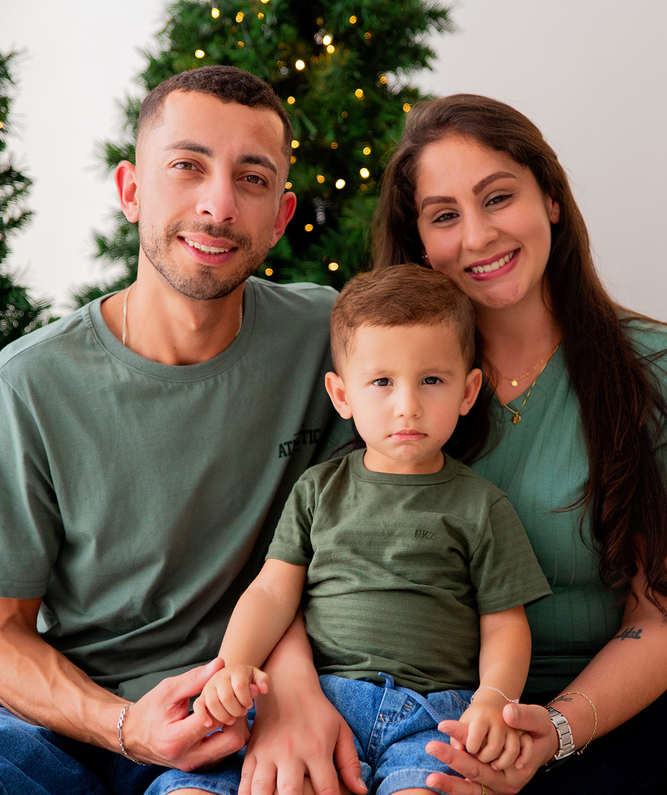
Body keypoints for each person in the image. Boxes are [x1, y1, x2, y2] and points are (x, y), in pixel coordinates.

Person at [0, 66, 354, 795]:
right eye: (187, 168)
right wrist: (123, 727)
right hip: (63, 712)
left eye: (252, 179)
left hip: (236, 715)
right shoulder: (31, 382)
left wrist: (293, 691)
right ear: (132, 190)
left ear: (282, 216)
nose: (218, 204)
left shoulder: (331, 343)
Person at [281, 94, 667, 795]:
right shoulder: (381, 372)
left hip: (597, 715)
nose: (479, 236)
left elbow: (666, 615)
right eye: (444, 216)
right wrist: (294, 699)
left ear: (550, 198)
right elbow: (293, 566)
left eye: (498, 198)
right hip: (416, 717)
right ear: (421, 241)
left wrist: (550, 732)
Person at [183, 264, 552, 795]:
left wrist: (494, 697)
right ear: (342, 395)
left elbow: (505, 625)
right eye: (381, 382)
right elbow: (271, 590)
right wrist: (235, 664)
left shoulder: (481, 505)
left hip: (429, 715)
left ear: (469, 391)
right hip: (317, 701)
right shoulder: (318, 490)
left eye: (432, 380)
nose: (408, 405)